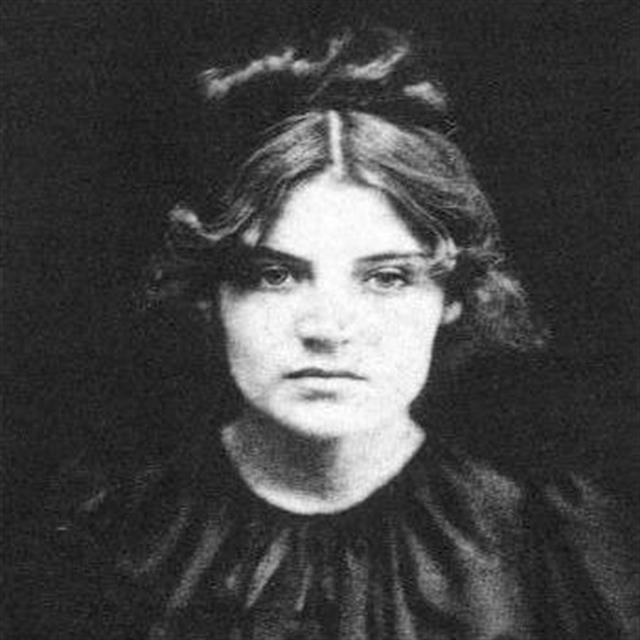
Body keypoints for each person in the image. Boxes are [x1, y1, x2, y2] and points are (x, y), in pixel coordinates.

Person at [8, 28, 638, 640]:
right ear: (210, 294)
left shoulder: (537, 542)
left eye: (387, 278)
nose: (328, 329)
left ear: (452, 298)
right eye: (275, 275)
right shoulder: (106, 533)